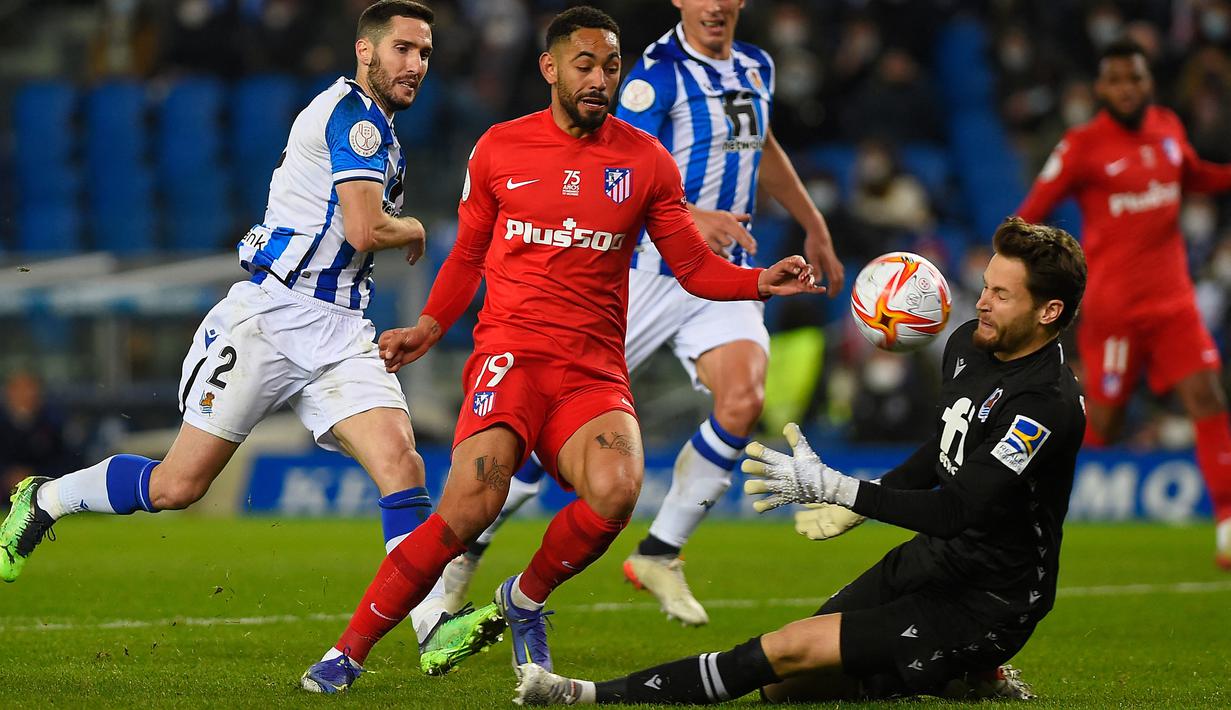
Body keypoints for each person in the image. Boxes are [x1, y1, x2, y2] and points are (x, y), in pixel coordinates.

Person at [298, 5, 822, 694]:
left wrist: (760, 280)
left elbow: (692, 267)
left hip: (591, 373)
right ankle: (349, 650)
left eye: (610, 65)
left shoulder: (645, 162)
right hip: (510, 360)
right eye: (585, 64)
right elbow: (468, 257)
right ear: (550, 69)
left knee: (615, 493)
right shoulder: (499, 148)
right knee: (468, 507)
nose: (600, 78)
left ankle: (523, 597)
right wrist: (428, 327)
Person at [0, 0, 502, 670]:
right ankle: (48, 496)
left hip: (342, 331)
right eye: (403, 49)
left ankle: (432, 625)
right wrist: (422, 229)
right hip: (271, 320)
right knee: (176, 487)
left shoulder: (376, 124)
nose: (415, 65)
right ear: (366, 51)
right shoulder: (352, 120)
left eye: (425, 53)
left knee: (401, 464)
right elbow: (363, 230)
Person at [513, 216, 1087, 705]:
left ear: (1048, 311)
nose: (981, 302)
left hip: (992, 600)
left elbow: (958, 509)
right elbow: (943, 450)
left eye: (1002, 296)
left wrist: (840, 491)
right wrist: (865, 503)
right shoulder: (970, 343)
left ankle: (584, 694)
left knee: (788, 653)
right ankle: (960, 674)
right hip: (934, 560)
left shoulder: (1045, 406)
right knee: (786, 685)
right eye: (986, 285)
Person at [440, 0, 845, 629]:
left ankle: (661, 550)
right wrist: (690, 218)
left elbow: (762, 144)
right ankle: (470, 543)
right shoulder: (654, 75)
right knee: (547, 429)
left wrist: (812, 222)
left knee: (743, 395)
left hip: (720, 281)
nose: (713, 6)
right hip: (640, 276)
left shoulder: (756, 66)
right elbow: (616, 167)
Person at [1015, 38, 1231, 569]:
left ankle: (1228, 522)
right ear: (1100, 87)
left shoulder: (1168, 128)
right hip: (1115, 311)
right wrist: (1012, 266)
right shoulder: (1082, 145)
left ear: (1148, 81)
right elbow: (1033, 212)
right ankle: (1017, 497)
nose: (1127, 89)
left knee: (1207, 394)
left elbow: (1196, 175)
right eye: (1116, 80)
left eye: (1135, 78)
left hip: (1174, 302)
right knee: (1103, 427)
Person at [0, 371, 78, 495]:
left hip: (44, 493)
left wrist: (35, 476)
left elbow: (67, 461)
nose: (25, 395)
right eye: (19, 389)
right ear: (9, 392)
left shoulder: (53, 424)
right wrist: (7, 476)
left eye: (30, 389)